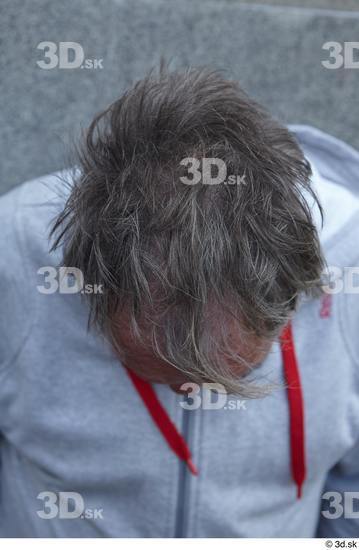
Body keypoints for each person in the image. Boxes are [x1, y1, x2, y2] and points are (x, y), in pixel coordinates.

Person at [0, 67, 358, 537]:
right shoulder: (14, 255)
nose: (194, 393)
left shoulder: (351, 258)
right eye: (156, 370)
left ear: (297, 295)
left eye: (233, 374)